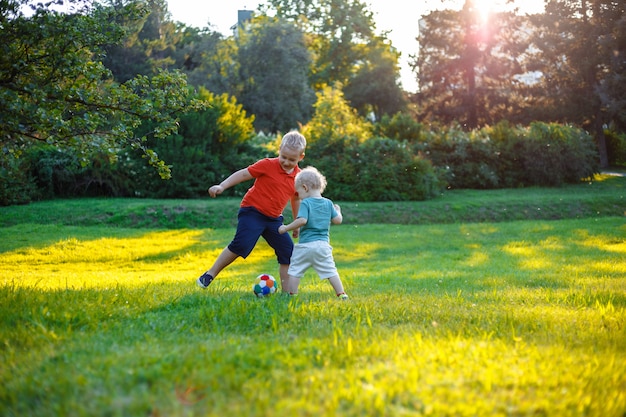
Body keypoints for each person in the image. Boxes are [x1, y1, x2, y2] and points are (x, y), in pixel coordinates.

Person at [196, 131, 306, 292]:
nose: (287, 162)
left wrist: (296, 224)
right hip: (252, 211)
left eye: (292, 159)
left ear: (301, 157)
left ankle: (287, 293)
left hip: (274, 219)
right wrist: (222, 186)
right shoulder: (267, 164)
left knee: (288, 253)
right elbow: (243, 174)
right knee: (241, 244)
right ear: (279, 149)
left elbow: (296, 199)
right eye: (284, 157)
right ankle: (209, 274)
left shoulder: (299, 177)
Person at [278, 166, 348, 299]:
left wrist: (286, 228)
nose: (298, 196)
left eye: (298, 193)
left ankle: (292, 295)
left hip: (306, 245)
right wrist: (338, 210)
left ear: (305, 188)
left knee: (295, 270)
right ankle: (341, 294)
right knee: (331, 270)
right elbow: (338, 220)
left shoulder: (306, 203)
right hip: (323, 246)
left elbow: (302, 220)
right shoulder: (328, 203)